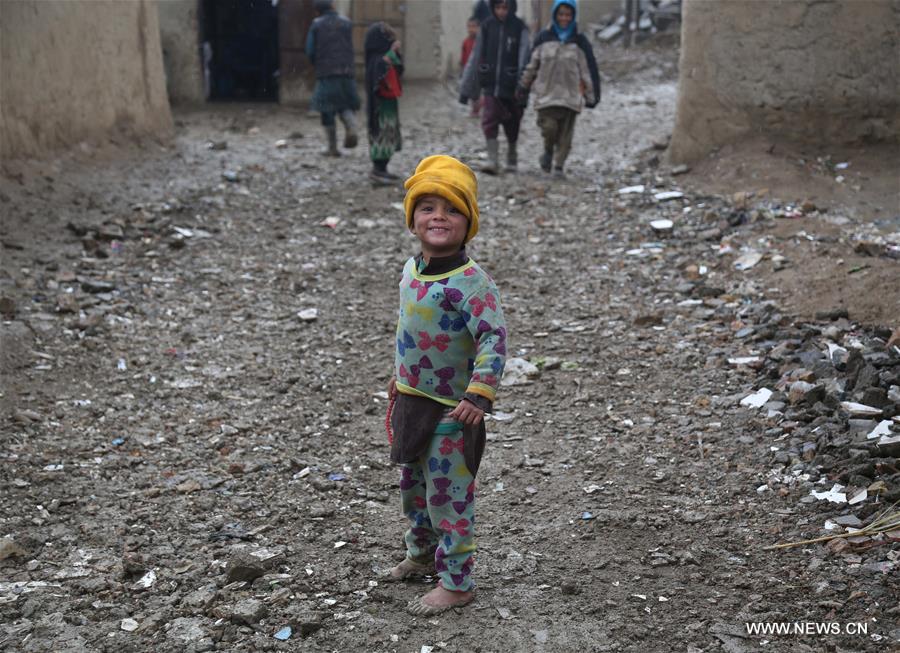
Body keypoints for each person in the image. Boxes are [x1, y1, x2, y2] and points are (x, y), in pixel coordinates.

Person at [384, 155, 507, 616]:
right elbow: (408, 332)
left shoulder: (471, 284)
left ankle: (458, 582)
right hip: (411, 403)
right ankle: (420, 555)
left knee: (448, 498)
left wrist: (479, 394)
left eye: (452, 210)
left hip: (453, 412)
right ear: (413, 219)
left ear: (468, 222)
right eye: (428, 207)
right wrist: (398, 380)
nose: (439, 217)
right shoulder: (410, 271)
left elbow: (493, 339)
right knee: (413, 488)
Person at [517, 0, 600, 178]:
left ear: (573, 16)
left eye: (568, 15)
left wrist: (591, 95)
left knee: (565, 136)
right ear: (555, 15)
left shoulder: (579, 41)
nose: (564, 18)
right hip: (546, 96)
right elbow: (532, 65)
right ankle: (548, 150)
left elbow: (586, 70)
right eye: (561, 14)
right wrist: (523, 86)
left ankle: (559, 167)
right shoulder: (543, 38)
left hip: (570, 97)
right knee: (549, 128)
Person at [459, 0, 530, 174]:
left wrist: (522, 86)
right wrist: (466, 88)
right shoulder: (487, 26)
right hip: (491, 85)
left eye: (505, 7)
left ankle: (511, 155)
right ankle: (492, 158)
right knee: (489, 119)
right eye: (498, 7)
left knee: (513, 121)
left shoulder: (519, 27)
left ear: (511, 7)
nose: (501, 11)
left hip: (512, 86)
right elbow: (476, 57)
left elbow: (525, 56)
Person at [305, 0, 360, 156]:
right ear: (332, 7)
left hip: (327, 72)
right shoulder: (346, 23)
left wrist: (317, 63)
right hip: (347, 71)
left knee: (326, 108)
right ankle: (351, 125)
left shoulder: (317, 24)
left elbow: (309, 50)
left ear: (317, 11)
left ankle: (332, 148)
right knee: (345, 104)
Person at [364, 22, 404, 185]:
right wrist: (391, 52)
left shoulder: (385, 57)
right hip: (379, 105)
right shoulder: (376, 60)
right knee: (380, 134)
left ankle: (384, 168)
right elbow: (381, 68)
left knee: (389, 133)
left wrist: (395, 54)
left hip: (390, 103)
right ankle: (377, 169)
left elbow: (399, 67)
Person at [459, 17, 481, 118]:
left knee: (479, 92)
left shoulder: (481, 42)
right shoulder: (465, 42)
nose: (471, 29)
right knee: (472, 93)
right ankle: (475, 110)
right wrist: (463, 72)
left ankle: (479, 109)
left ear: (479, 28)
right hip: (469, 72)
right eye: (469, 26)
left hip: (480, 71)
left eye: (474, 27)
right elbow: (463, 59)